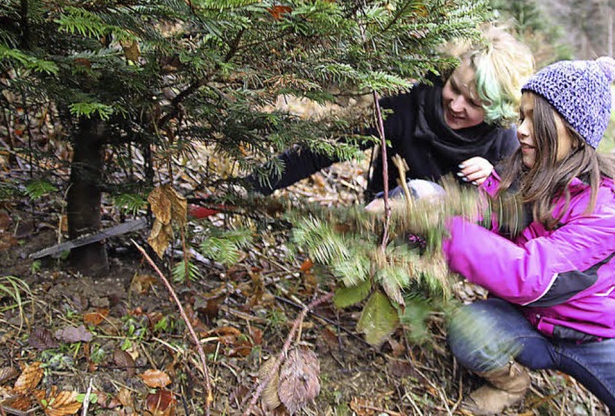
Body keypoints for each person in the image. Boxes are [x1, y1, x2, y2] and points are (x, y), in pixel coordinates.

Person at [443, 57, 615, 414]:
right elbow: (488, 218)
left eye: (537, 121)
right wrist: (428, 219)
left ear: (576, 132)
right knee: (468, 330)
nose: (521, 129)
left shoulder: (602, 212)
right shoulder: (527, 171)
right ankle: (510, 384)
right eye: (522, 117)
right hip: (528, 322)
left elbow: (532, 275)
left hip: (593, 337)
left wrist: (443, 232)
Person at [248, 24, 535, 201]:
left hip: (449, 244)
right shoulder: (408, 105)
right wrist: (250, 187)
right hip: (381, 216)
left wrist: (495, 182)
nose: (457, 106)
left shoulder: (504, 141)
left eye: (474, 104)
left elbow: (515, 218)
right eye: (455, 88)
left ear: (497, 109)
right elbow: (323, 150)